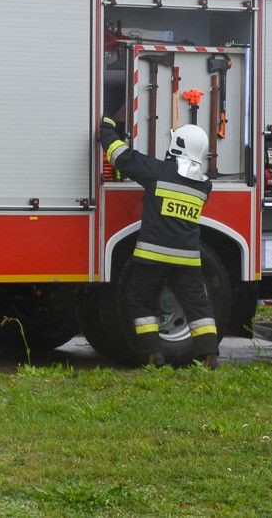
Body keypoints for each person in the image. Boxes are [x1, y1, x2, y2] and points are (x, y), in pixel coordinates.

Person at [98, 117, 220, 368]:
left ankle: (153, 354)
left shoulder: (158, 172)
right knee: (197, 305)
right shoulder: (204, 186)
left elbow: (123, 157)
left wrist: (107, 130)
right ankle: (209, 355)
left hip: (152, 256)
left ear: (178, 144)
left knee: (140, 299)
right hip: (187, 259)